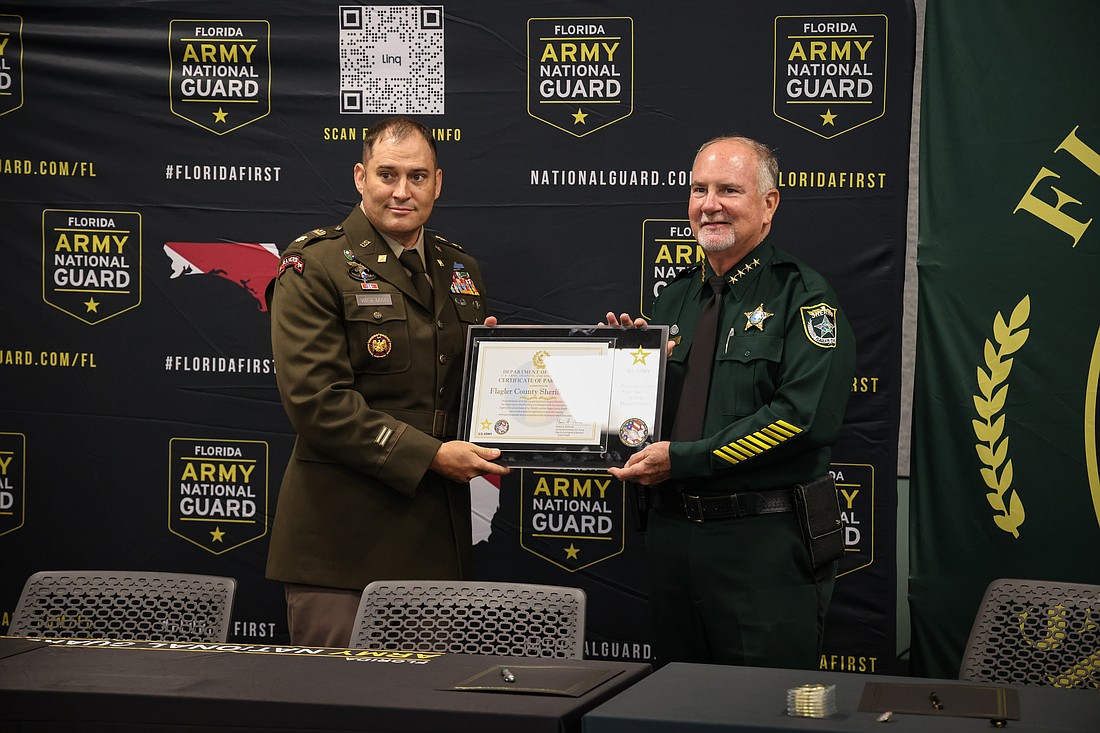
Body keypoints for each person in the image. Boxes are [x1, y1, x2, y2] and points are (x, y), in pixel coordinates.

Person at [607, 136, 855, 669]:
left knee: (762, 711)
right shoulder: (673, 299)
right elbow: (645, 419)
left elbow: (799, 420)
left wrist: (686, 459)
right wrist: (623, 372)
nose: (709, 204)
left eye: (729, 190)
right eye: (699, 189)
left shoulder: (804, 296)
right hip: (673, 539)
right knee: (678, 704)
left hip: (762, 546)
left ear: (769, 205)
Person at [266, 117, 509, 647]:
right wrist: (431, 456)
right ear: (360, 177)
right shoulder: (315, 265)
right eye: (387, 175)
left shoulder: (458, 268)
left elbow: (458, 393)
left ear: (438, 183)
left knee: (427, 710)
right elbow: (317, 403)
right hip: (342, 544)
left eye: (418, 177)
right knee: (340, 711)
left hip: (436, 540)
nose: (403, 191)